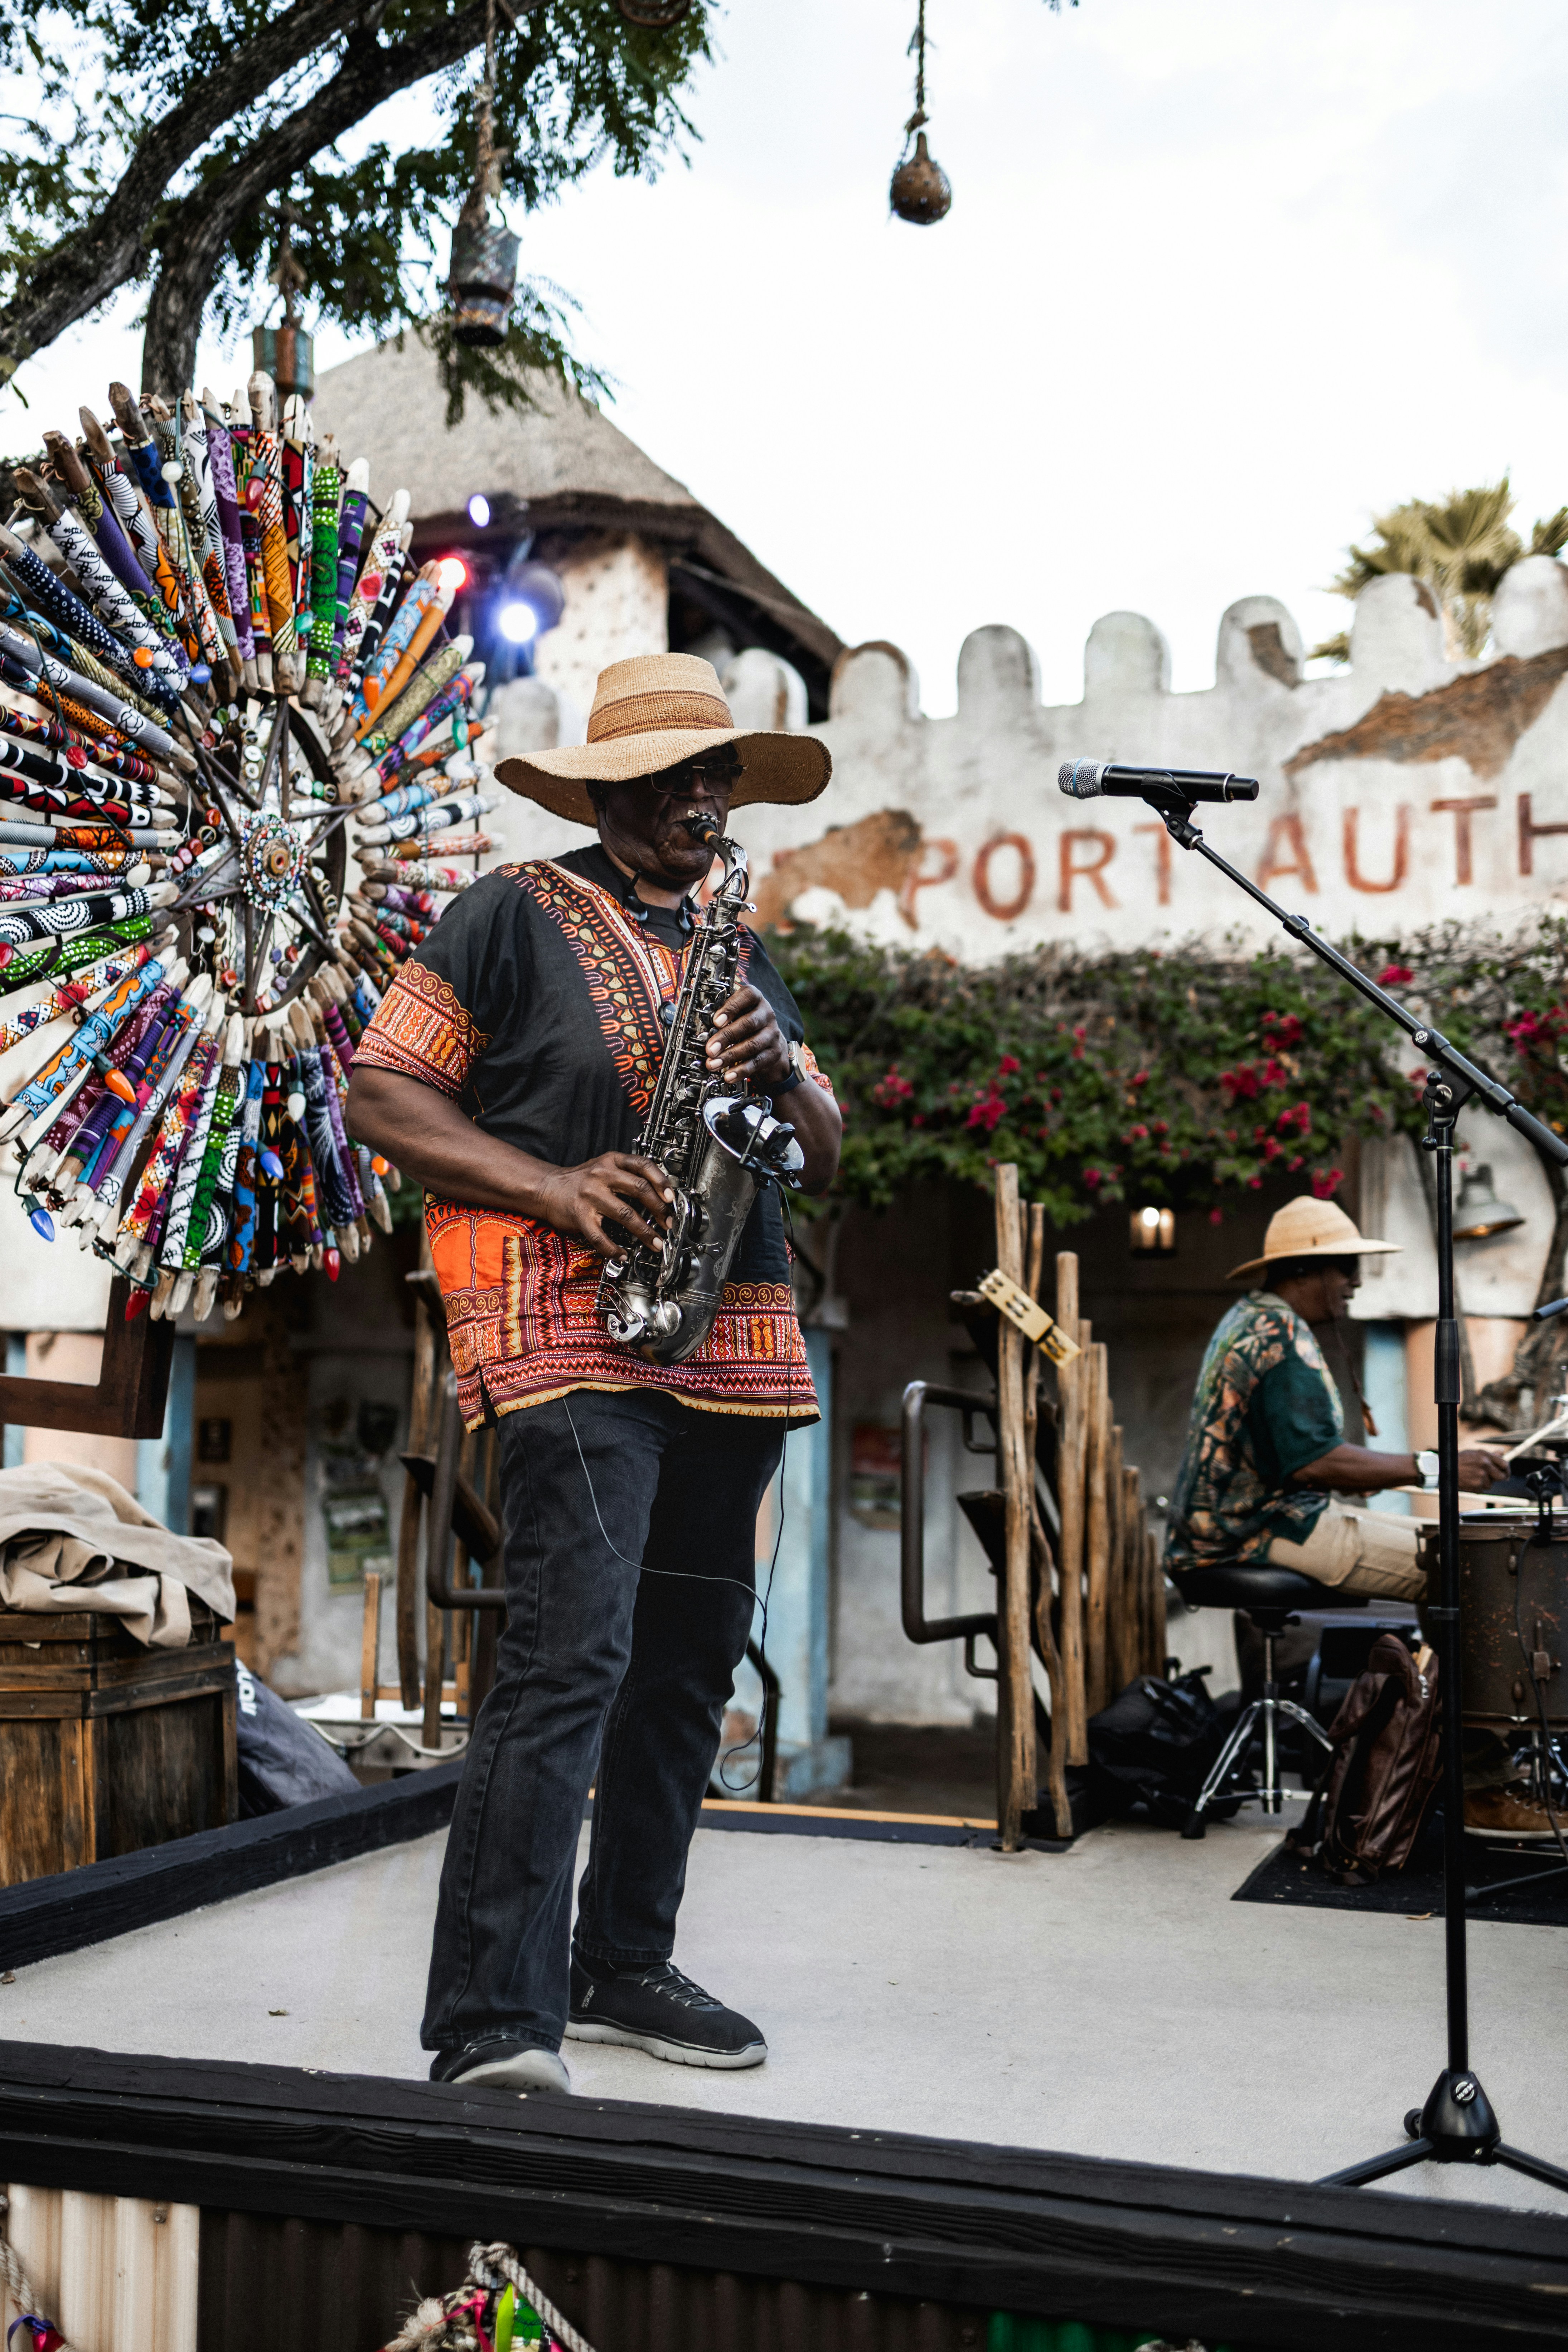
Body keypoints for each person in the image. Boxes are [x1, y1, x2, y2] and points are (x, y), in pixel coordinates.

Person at [346, 653, 842, 2092]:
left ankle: (623, 1960)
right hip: (562, 1322)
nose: (706, 797)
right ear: (614, 788)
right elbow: (382, 1089)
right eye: (681, 776)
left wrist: (787, 1073)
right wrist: (557, 1188)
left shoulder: (745, 954)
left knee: (688, 1668)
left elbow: (823, 1155)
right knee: (575, 1654)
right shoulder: (509, 913)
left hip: (730, 1333)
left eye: (719, 776)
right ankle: (493, 2018)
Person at [1163, 1195, 1550, 1837]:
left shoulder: (1250, 1317)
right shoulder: (1278, 1334)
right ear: (1304, 1270)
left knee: (1453, 1550)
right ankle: (1480, 1785)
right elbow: (1312, 1464)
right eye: (1345, 1269)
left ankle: (1449, 1763)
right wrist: (1436, 1466)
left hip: (1259, 1521)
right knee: (1464, 1568)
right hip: (1258, 1530)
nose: (1355, 1283)